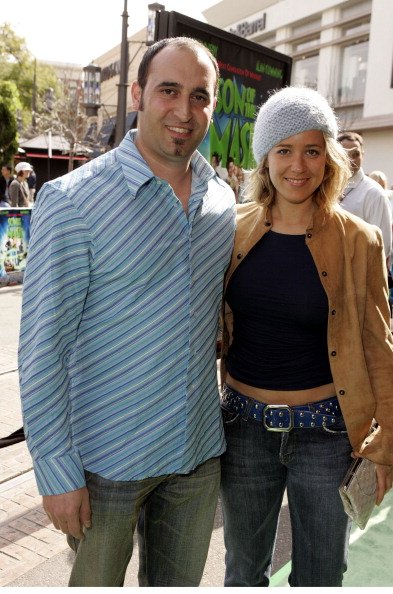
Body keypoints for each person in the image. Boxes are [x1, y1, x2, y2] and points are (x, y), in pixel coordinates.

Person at [18, 37, 236, 587]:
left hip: (196, 451)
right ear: (137, 94)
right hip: (103, 462)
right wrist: (55, 470)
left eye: (199, 96)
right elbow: (43, 347)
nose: (184, 111)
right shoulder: (73, 202)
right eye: (168, 90)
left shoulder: (222, 202)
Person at [219, 86, 393, 587]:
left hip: (328, 435)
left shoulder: (360, 239)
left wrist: (383, 445)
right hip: (244, 429)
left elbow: (380, 347)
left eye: (312, 150)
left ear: (329, 158)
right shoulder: (232, 230)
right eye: (284, 150)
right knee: (243, 571)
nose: (299, 165)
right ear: (265, 158)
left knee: (320, 574)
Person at [337, 132, 392, 265]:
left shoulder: (374, 193)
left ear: (362, 154)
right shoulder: (325, 187)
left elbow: (382, 246)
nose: (351, 160)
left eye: (356, 154)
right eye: (345, 154)